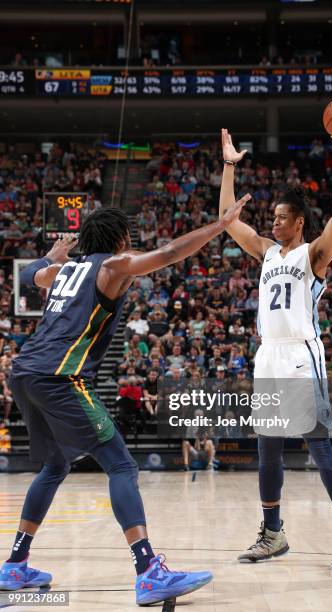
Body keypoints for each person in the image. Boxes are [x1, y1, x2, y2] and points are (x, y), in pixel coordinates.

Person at [0, 200, 250, 605]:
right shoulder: (111, 267)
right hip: (59, 376)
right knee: (121, 464)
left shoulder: (62, 270)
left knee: (55, 466)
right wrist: (220, 225)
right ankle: (148, 570)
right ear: (120, 240)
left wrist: (52, 253)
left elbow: (29, 274)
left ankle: (14, 564)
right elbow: (168, 254)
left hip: (23, 374)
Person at [219, 125, 332, 571]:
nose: (273, 223)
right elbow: (228, 218)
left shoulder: (314, 255)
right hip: (269, 354)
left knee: (318, 445)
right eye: (272, 218)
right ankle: (272, 533)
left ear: (299, 222)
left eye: (281, 217)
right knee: (266, 448)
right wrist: (229, 167)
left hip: (302, 354)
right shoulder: (266, 252)